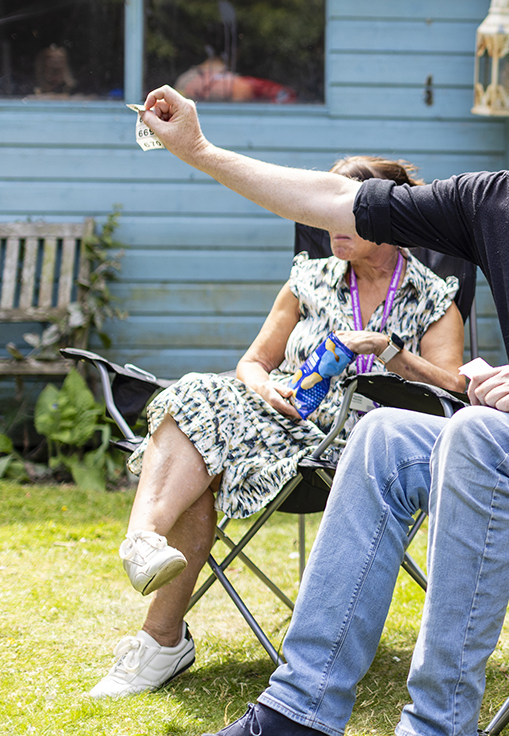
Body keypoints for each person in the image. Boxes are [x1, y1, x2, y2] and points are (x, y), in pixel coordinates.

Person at [131, 19, 509, 736]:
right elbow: (333, 201)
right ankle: (296, 713)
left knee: (481, 436)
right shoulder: (500, 205)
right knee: (384, 436)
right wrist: (199, 150)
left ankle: (436, 726)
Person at [89, 155, 466, 698]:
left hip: (358, 445)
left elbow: (450, 390)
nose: (328, 224)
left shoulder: (433, 298)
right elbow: (252, 363)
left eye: (343, 211)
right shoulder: (308, 280)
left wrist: (387, 350)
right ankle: (143, 544)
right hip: (278, 417)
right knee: (196, 394)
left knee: (203, 448)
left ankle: (161, 640)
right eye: (324, 210)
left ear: (385, 217)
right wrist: (267, 388)